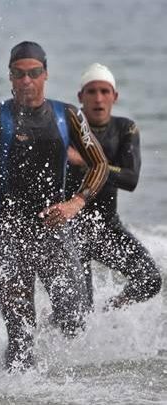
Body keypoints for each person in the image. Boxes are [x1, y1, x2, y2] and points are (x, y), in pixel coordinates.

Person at [0, 41, 109, 372]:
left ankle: (48, 359)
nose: (26, 81)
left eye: (33, 73)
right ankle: (17, 389)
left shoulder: (69, 116)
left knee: (73, 320)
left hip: (55, 234)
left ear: (45, 75)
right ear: (10, 77)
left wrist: (75, 203)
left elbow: (100, 165)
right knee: (19, 336)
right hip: (11, 237)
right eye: (19, 74)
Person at [66, 63, 161, 310]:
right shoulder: (66, 127)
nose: (98, 98)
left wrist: (87, 162)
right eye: (91, 91)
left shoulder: (125, 129)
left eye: (105, 91)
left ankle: (108, 313)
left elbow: (130, 179)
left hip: (106, 227)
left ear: (114, 97)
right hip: (70, 229)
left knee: (149, 279)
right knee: (79, 311)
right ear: (80, 97)